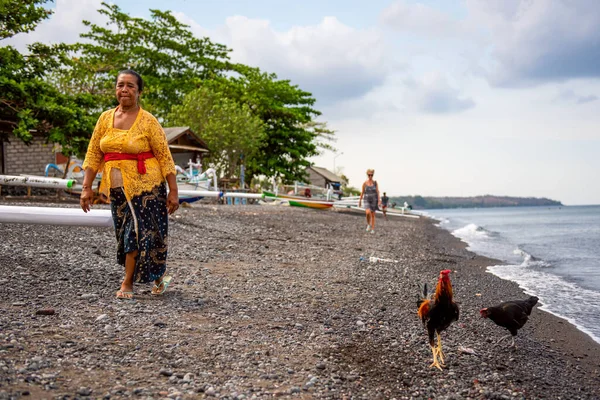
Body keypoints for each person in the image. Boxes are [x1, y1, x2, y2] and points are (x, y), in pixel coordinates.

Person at [79, 69, 179, 300]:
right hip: (116, 188)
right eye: (120, 85)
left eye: (130, 86)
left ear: (139, 91)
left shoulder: (148, 121)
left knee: (138, 233)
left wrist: (173, 191)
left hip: (147, 187)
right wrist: (86, 188)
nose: (124, 89)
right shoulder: (105, 118)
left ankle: (127, 283)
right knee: (128, 232)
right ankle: (157, 277)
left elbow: (165, 157)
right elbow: (93, 154)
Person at [358, 169, 381, 234]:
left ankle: (373, 229)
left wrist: (379, 200)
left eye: (371, 175)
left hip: (374, 199)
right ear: (367, 175)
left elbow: (377, 192)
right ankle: (368, 224)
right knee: (368, 212)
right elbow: (362, 192)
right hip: (366, 199)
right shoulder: (364, 183)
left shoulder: (375, 183)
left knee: (373, 214)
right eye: (369, 175)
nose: (370, 176)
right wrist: (360, 200)